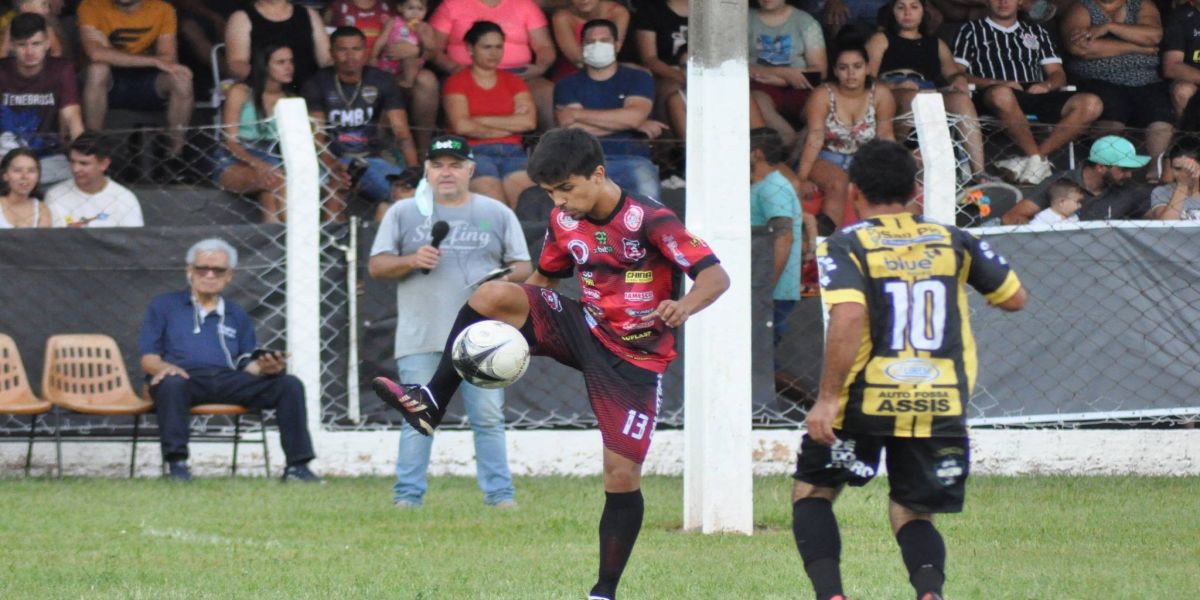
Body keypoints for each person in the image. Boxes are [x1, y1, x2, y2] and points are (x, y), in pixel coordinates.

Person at [372, 128, 730, 600]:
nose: (560, 202)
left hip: (635, 358)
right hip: (584, 329)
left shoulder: (651, 219)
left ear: (598, 175)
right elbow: (543, 280)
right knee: (492, 295)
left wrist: (683, 308)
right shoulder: (565, 220)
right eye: (551, 193)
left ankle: (603, 591)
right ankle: (432, 401)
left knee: (620, 476)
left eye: (566, 189)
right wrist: (509, 330)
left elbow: (715, 277)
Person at [795, 138, 1027, 600]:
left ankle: (831, 596)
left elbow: (847, 316)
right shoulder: (954, 239)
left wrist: (827, 398)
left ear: (855, 190)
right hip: (939, 399)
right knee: (913, 512)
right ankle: (929, 594)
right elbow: (1014, 298)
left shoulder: (846, 245)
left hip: (864, 399)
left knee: (814, 493)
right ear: (914, 189)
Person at [369, 135, 531, 508]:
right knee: (416, 419)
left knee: (488, 419)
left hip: (483, 338)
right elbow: (377, 265)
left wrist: (503, 279)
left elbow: (525, 266)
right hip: (422, 335)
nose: (446, 172)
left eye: (455, 164)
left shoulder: (497, 212)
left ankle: (500, 497)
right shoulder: (403, 213)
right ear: (426, 169)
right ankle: (407, 498)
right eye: (438, 164)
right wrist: (411, 260)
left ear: (471, 170)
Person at [138, 237, 320, 482]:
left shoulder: (236, 313)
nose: (210, 275)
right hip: (184, 378)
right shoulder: (164, 305)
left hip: (228, 379)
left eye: (218, 270)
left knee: (289, 384)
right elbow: (149, 358)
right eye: (202, 268)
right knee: (171, 383)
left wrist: (267, 367)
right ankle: (177, 466)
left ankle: (298, 467)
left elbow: (246, 364)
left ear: (229, 276)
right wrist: (166, 368)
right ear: (190, 271)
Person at [953, 0, 1104, 185]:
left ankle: (1034, 160)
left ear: (1020, 2)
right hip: (992, 95)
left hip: (1035, 92)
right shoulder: (971, 30)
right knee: (1002, 94)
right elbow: (956, 74)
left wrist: (1047, 86)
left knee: (1091, 103)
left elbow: (1057, 73)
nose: (1003, 2)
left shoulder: (1036, 31)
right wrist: (998, 82)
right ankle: (1037, 161)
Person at [866, 0, 985, 182]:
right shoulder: (881, 39)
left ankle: (979, 173)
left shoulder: (935, 43)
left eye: (914, 7)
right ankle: (895, 158)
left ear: (923, 12)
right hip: (892, 90)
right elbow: (868, 77)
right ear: (893, 12)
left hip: (927, 89)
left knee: (961, 101)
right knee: (915, 97)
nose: (907, 12)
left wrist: (958, 79)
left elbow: (952, 72)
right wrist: (895, 86)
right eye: (901, 7)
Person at [304, 26, 420, 207]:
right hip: (332, 158)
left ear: (366, 52)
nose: (350, 56)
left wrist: (414, 171)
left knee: (405, 193)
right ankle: (337, 234)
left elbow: (401, 132)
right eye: (342, 50)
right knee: (335, 189)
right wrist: (333, 166)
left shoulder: (381, 80)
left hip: (372, 157)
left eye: (356, 49)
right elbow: (316, 138)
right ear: (331, 53)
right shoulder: (317, 83)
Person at [555, 19, 666, 200]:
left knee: (648, 212)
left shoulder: (638, 78)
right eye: (591, 42)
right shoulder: (567, 84)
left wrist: (576, 114)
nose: (597, 46)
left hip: (633, 160)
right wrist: (630, 123)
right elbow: (573, 131)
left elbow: (634, 117)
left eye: (604, 40)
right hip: (583, 164)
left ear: (617, 45)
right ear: (582, 46)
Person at [796, 39, 896, 233]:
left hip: (865, 159)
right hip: (825, 157)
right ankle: (829, 242)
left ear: (867, 68)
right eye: (843, 68)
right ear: (835, 71)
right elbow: (815, 137)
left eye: (857, 67)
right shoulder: (822, 94)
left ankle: (880, 240)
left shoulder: (880, 94)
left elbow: (885, 135)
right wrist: (801, 178)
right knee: (838, 184)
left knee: (882, 187)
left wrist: (894, 170)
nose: (851, 73)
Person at [1061, 0, 1173, 167]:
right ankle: (1108, 168)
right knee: (1113, 107)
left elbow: (1153, 36)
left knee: (1159, 110)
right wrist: (1138, 48)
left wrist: (1109, 27)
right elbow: (1081, 48)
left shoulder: (1141, 5)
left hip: (1146, 79)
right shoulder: (1082, 7)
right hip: (1100, 79)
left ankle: (1156, 169)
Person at [78, 0, 193, 156]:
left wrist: (111, 52)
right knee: (97, 69)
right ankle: (93, 149)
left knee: (181, 79)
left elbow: (168, 58)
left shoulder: (162, 9)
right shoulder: (91, 5)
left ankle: (175, 154)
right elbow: (96, 53)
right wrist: (153, 60)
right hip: (110, 81)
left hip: (148, 80)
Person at [443, 21, 537, 208]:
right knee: (494, 208)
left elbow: (528, 122)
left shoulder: (514, 82)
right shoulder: (456, 82)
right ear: (470, 48)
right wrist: (509, 125)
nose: (494, 53)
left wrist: (478, 121)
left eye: (498, 47)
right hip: (473, 153)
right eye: (486, 47)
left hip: (514, 153)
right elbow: (462, 127)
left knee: (528, 204)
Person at [429, 0, 557, 129]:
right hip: (467, 74)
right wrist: (454, 68)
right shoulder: (452, 4)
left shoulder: (525, 4)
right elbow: (432, 49)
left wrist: (540, 68)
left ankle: (552, 144)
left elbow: (544, 46)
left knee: (547, 91)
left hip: (519, 75)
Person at [0, 13, 82, 186]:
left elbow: (72, 115)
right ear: (13, 46)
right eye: (22, 45)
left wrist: (82, 156)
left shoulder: (61, 70)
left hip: (48, 156)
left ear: (47, 43)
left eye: (36, 44)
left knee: (76, 179)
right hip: (4, 157)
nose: (30, 51)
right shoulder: (2, 71)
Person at [213, 44, 292, 223]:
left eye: (290, 61)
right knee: (279, 179)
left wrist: (268, 167)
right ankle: (299, 244)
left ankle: (276, 246)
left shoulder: (289, 98)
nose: (289, 67)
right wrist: (259, 165)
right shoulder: (240, 92)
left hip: (273, 161)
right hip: (236, 160)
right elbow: (230, 142)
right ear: (264, 66)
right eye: (281, 62)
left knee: (270, 194)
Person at [1002, 135, 1152, 223]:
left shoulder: (1129, 189)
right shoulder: (1061, 183)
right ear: (1100, 167)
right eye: (1123, 170)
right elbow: (1012, 217)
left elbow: (1159, 219)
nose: (1129, 175)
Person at [749, 0, 826, 148]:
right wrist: (784, 73)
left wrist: (783, 80)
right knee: (755, 102)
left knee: (821, 105)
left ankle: (800, 151)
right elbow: (734, 66)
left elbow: (819, 72)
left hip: (801, 85)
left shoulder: (805, 22)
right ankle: (790, 143)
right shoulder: (744, 20)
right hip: (761, 85)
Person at [371, 0, 439, 155]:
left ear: (426, 11)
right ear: (401, 8)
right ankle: (380, 143)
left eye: (420, 9)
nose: (415, 13)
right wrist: (373, 57)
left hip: (411, 67)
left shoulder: (425, 27)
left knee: (409, 53)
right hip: (390, 65)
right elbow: (381, 39)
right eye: (410, 8)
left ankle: (408, 83)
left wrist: (421, 35)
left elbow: (432, 48)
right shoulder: (394, 22)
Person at [225, 0, 331, 92]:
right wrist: (267, 84)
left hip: (310, 91)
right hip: (264, 92)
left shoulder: (310, 14)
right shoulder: (241, 18)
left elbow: (326, 59)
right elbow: (236, 63)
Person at [45, 132, 143, 227]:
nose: (75, 169)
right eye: (72, 161)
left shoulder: (124, 199)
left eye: (84, 163)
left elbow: (134, 241)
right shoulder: (55, 195)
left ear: (104, 164)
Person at [633, 0, 688, 133]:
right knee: (673, 90)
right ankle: (674, 148)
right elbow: (650, 59)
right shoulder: (650, 11)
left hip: (706, 73)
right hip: (666, 74)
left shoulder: (711, 12)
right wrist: (682, 77)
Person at [550, 0, 630, 81]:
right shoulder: (562, 17)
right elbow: (578, 60)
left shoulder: (618, 12)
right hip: (572, 77)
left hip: (610, 72)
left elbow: (613, 50)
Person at [1147, 135, 1200, 220]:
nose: (1183, 174)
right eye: (1177, 169)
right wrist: (1182, 185)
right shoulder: (1162, 192)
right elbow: (1167, 226)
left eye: (1189, 168)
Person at [1162, 0, 1200, 117]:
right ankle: (1189, 134)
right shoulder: (1180, 16)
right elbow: (1171, 67)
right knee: (1182, 91)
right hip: (1192, 79)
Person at [0, 147, 50, 228]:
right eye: (17, 170)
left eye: (31, 171)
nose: (25, 176)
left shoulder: (41, 209)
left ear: (38, 176)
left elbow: (43, 240)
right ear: (5, 175)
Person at [0, 0, 65, 58]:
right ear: (26, 7)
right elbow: (3, 51)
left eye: (48, 5)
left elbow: (57, 51)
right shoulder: (12, 26)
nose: (47, 10)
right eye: (43, 4)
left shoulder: (46, 26)